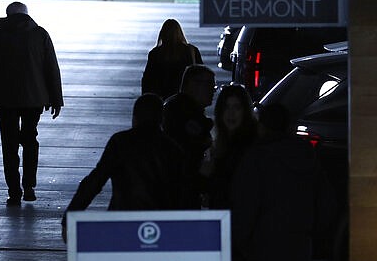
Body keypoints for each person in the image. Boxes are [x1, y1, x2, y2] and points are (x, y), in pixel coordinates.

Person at [230, 104, 336, 261]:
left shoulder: (257, 157)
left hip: (264, 251)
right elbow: (325, 203)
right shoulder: (306, 154)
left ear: (261, 126)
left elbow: (246, 207)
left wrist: (238, 244)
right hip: (299, 251)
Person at [61, 94, 186, 242]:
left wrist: (70, 215)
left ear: (135, 118)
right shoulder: (173, 149)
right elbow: (182, 191)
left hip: (121, 219)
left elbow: (95, 181)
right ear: (161, 119)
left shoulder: (120, 142)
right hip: (160, 225)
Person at [0, 1, 63, 206]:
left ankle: (14, 191)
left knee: (9, 145)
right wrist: (56, 99)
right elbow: (51, 67)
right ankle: (30, 186)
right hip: (34, 99)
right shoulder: (40, 34)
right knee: (30, 140)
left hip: (4, 101)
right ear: (27, 14)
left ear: (7, 15)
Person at [162, 64, 216, 209]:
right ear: (193, 85)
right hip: (181, 191)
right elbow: (193, 155)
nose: (213, 91)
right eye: (210, 85)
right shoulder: (186, 115)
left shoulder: (174, 106)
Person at [207, 85, 257, 210]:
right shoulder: (220, 143)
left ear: (245, 111)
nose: (231, 113)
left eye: (237, 107)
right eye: (226, 107)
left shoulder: (250, 147)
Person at [141, 19, 203, 100]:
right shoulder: (192, 51)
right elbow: (201, 74)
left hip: (162, 99)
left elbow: (148, 80)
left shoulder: (155, 54)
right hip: (186, 98)